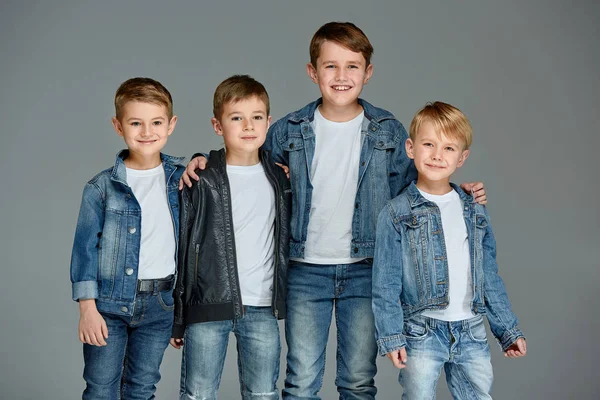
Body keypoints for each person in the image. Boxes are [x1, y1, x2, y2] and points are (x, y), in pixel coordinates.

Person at [179, 22, 487, 399]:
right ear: (313, 72)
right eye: (330, 66)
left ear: (367, 73)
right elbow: (247, 167)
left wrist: (457, 191)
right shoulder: (289, 130)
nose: (341, 76)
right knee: (302, 380)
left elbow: (416, 189)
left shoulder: (387, 130)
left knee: (358, 379)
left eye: (352, 66)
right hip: (305, 270)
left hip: (365, 269)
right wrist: (202, 159)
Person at [372, 101, 526, 399]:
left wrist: (507, 329)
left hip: (471, 329)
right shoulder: (396, 212)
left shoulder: (474, 209)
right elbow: (385, 282)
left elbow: (488, 275)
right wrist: (391, 337)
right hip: (421, 331)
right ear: (410, 148)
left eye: (449, 149)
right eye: (428, 144)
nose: (437, 155)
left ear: (462, 158)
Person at [171, 75, 291, 400]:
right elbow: (185, 247)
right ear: (217, 125)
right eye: (236, 118)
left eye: (256, 117)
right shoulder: (202, 177)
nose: (248, 126)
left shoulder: (281, 178)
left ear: (269, 122)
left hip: (263, 309)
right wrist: (180, 317)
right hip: (208, 307)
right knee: (198, 395)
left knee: (263, 394)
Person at [70, 77, 184, 399]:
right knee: (101, 387)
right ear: (118, 126)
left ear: (171, 124)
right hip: (108, 305)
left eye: (156, 122)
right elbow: (84, 251)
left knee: (142, 388)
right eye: (136, 123)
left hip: (161, 304)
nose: (147, 132)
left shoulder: (183, 180)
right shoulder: (101, 188)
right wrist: (87, 309)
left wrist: (183, 313)